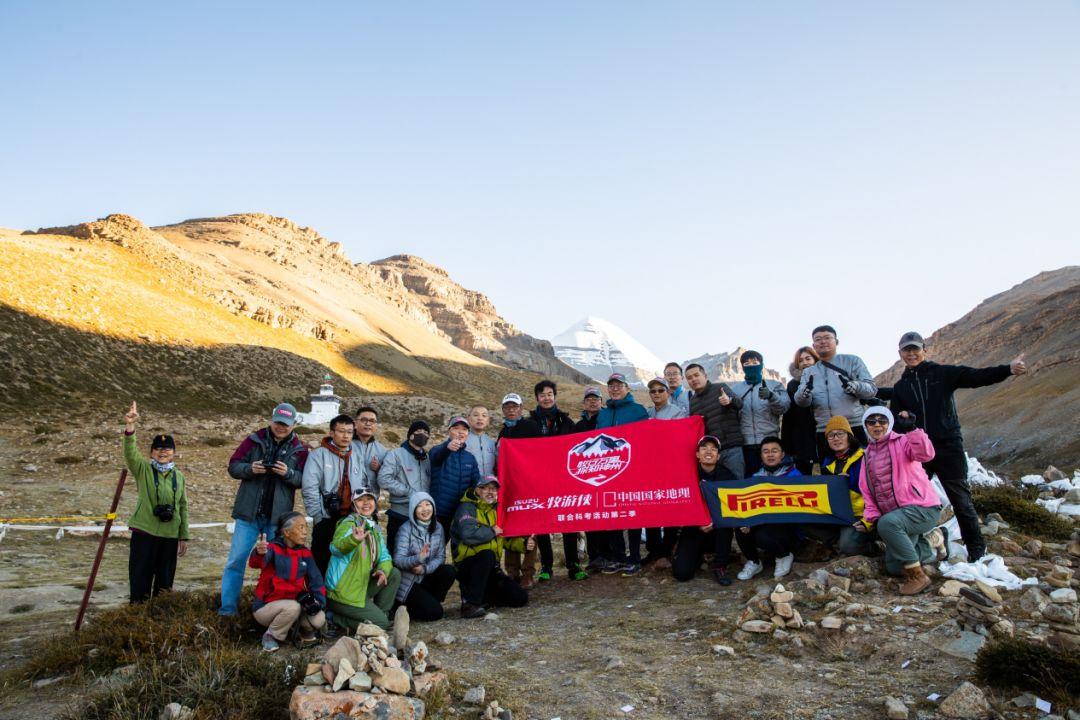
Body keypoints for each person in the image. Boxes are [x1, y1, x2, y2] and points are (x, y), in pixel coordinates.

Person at [880, 331, 1027, 562]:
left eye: (915, 348)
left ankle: (976, 549)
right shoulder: (900, 388)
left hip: (948, 446)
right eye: (906, 350)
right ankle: (919, 547)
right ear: (900, 354)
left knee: (960, 500)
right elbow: (895, 424)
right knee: (913, 500)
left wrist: (1007, 369)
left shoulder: (943, 373)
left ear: (924, 350)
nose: (911, 353)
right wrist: (902, 425)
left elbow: (976, 376)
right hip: (918, 452)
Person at [220, 403, 309, 616]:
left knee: (275, 566)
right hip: (248, 514)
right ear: (272, 419)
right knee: (236, 562)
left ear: (294, 424)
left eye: (286, 424)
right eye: (278, 423)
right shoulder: (253, 440)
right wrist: (250, 469)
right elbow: (233, 466)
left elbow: (304, 479)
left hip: (278, 519)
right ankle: (227, 610)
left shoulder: (301, 449)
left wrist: (287, 473)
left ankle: (268, 611)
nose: (281, 427)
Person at [858, 406, 941, 595]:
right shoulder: (867, 455)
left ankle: (918, 576)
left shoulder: (903, 441)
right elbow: (867, 491)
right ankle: (932, 541)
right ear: (865, 426)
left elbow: (926, 454)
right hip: (898, 519)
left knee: (887, 524)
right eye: (871, 421)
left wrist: (912, 429)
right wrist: (870, 518)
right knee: (894, 567)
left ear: (890, 424)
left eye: (882, 421)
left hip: (922, 508)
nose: (877, 425)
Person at [122, 401, 189, 603]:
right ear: (151, 452)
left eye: (167, 449)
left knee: (164, 585)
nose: (163, 452)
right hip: (145, 534)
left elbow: (183, 506)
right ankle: (135, 620)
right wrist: (130, 426)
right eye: (158, 448)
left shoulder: (179, 476)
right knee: (140, 581)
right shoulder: (143, 469)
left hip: (170, 536)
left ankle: (158, 622)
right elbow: (130, 453)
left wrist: (183, 535)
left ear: (174, 453)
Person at [671, 436, 757, 585]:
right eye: (704, 448)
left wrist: (715, 521)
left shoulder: (727, 476)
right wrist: (698, 522)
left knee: (725, 526)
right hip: (694, 525)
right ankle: (695, 556)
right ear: (697, 454)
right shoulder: (688, 475)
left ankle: (721, 565)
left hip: (718, 527)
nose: (708, 452)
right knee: (682, 574)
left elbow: (733, 506)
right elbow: (681, 503)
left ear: (718, 456)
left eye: (713, 449)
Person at [527, 380, 587, 581]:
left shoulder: (566, 422)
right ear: (537, 398)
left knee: (568, 520)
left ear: (555, 396)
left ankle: (573, 565)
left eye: (550, 394)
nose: (546, 398)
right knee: (543, 522)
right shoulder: (530, 423)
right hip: (539, 480)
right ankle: (546, 566)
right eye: (542, 394)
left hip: (564, 479)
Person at [793, 326, 877, 462]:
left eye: (827, 338)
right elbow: (800, 401)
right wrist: (805, 393)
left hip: (853, 426)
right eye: (818, 339)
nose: (822, 342)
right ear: (813, 345)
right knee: (829, 476)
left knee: (861, 472)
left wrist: (854, 386)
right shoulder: (809, 372)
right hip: (824, 431)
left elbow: (871, 390)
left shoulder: (852, 361)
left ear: (836, 341)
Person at [451, 475, 529, 618]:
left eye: (493, 489)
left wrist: (523, 544)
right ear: (477, 490)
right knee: (487, 555)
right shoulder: (466, 508)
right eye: (485, 488)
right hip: (467, 566)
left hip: (491, 568)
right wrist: (492, 531)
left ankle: (485, 598)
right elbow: (468, 534)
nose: (490, 492)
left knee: (520, 598)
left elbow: (503, 538)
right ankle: (470, 604)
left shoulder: (497, 510)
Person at [325, 486, 402, 631]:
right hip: (343, 592)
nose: (366, 503)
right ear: (354, 504)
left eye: (369, 499)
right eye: (360, 500)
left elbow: (385, 556)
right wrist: (353, 540)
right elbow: (335, 548)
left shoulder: (374, 527)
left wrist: (381, 570)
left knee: (393, 574)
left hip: (361, 585)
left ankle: (379, 615)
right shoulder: (348, 524)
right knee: (381, 625)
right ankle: (333, 619)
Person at [597, 373, 650, 576]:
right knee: (612, 514)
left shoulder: (638, 410)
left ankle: (634, 558)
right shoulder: (604, 414)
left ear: (626, 387)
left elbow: (647, 439)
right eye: (611, 386)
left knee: (632, 514)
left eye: (619, 385)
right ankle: (618, 557)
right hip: (608, 473)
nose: (615, 389)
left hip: (632, 470)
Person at [250, 511, 326, 652]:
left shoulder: (305, 553)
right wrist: (259, 553)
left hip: (295, 604)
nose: (305, 532)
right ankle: (270, 635)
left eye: (305, 528)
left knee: (319, 618)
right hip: (266, 608)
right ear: (286, 532)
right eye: (300, 528)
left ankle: (302, 633)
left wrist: (318, 602)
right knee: (292, 607)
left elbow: (316, 580)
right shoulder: (272, 548)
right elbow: (256, 563)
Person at [302, 414, 366, 576]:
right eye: (341, 431)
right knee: (321, 562)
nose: (346, 436)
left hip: (352, 519)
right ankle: (319, 598)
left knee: (347, 564)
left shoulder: (356, 456)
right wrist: (318, 516)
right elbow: (309, 487)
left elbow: (364, 484)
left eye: (350, 432)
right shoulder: (318, 455)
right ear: (331, 433)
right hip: (326, 517)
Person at [800, 416, 872, 556]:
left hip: (860, 515)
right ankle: (838, 540)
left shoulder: (865, 456)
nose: (836, 438)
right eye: (831, 435)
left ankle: (872, 546)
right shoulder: (827, 462)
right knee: (802, 521)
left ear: (849, 436)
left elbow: (875, 491)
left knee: (848, 547)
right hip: (837, 514)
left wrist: (848, 483)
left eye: (840, 433)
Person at [738, 438, 802, 580]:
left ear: (782, 454)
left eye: (774, 451)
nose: (770, 455)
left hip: (787, 526)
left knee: (763, 535)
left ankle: (784, 555)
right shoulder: (755, 478)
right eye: (765, 451)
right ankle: (754, 561)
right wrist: (749, 521)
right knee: (740, 525)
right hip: (762, 523)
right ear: (761, 455)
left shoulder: (795, 475)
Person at [496, 393, 542, 587]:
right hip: (509, 487)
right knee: (510, 528)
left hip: (529, 485)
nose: (511, 410)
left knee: (531, 527)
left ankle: (528, 572)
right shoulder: (503, 431)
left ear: (521, 408)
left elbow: (542, 451)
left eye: (514, 406)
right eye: (507, 407)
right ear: (503, 410)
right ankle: (512, 570)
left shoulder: (530, 426)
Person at [393, 492, 457, 622]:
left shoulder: (438, 527)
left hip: (426, 576)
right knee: (435, 613)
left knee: (448, 571)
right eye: (420, 506)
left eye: (428, 504)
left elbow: (440, 556)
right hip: (410, 582)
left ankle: (430, 603)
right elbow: (398, 560)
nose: (425, 509)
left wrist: (424, 568)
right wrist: (418, 558)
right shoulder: (405, 529)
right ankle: (401, 607)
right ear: (413, 510)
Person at [643, 376, 687, 566]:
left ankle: (667, 549)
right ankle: (653, 550)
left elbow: (678, 438)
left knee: (670, 506)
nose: (657, 394)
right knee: (650, 507)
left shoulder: (677, 412)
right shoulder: (647, 413)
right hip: (650, 467)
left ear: (668, 392)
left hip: (670, 466)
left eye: (661, 390)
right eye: (653, 391)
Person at [729, 351, 790, 476]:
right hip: (746, 444)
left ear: (761, 365)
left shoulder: (774, 385)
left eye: (754, 362)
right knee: (751, 480)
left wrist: (772, 396)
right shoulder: (735, 389)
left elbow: (784, 407)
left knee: (773, 479)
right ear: (742, 367)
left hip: (769, 443)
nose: (751, 366)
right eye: (747, 363)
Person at [377, 420, 433, 553]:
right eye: (419, 431)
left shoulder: (427, 458)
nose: (423, 434)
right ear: (410, 435)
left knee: (417, 554)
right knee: (396, 552)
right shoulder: (396, 454)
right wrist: (408, 492)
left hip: (422, 516)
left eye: (426, 433)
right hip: (400, 514)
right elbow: (383, 479)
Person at [685, 363, 745, 479]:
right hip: (710, 453)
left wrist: (729, 400)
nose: (693, 379)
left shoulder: (720, 388)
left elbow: (740, 404)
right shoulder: (692, 401)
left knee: (736, 485)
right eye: (689, 378)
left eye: (696, 375)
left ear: (705, 375)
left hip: (731, 448)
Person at [429, 416, 481, 537]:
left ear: (468, 433)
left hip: (460, 512)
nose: (460, 432)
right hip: (439, 513)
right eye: (456, 428)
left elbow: (476, 483)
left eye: (464, 429)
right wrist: (447, 448)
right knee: (434, 548)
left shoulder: (470, 457)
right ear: (449, 431)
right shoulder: (438, 450)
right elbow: (436, 457)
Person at [574, 386, 605, 569]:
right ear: (584, 403)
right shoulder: (578, 426)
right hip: (586, 477)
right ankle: (594, 557)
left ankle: (608, 554)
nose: (593, 402)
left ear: (601, 402)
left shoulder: (607, 420)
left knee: (607, 516)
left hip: (607, 473)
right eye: (589, 399)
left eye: (596, 399)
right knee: (591, 516)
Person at [782, 347, 821, 475]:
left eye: (808, 358)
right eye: (800, 360)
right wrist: (787, 448)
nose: (805, 362)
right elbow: (788, 417)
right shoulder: (793, 385)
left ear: (815, 359)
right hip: (802, 442)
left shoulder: (827, 380)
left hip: (824, 437)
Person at [351, 405, 388, 501]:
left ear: (376, 425)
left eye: (372, 421)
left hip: (370, 502)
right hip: (347, 501)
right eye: (364, 420)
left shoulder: (382, 450)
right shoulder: (345, 445)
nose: (368, 424)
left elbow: (388, 479)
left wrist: (379, 469)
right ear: (355, 424)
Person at [464, 405, 498, 478]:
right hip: (468, 485)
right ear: (468, 419)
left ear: (488, 421)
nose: (480, 418)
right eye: (476, 415)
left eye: (484, 415)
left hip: (488, 486)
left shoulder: (492, 443)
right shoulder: (462, 441)